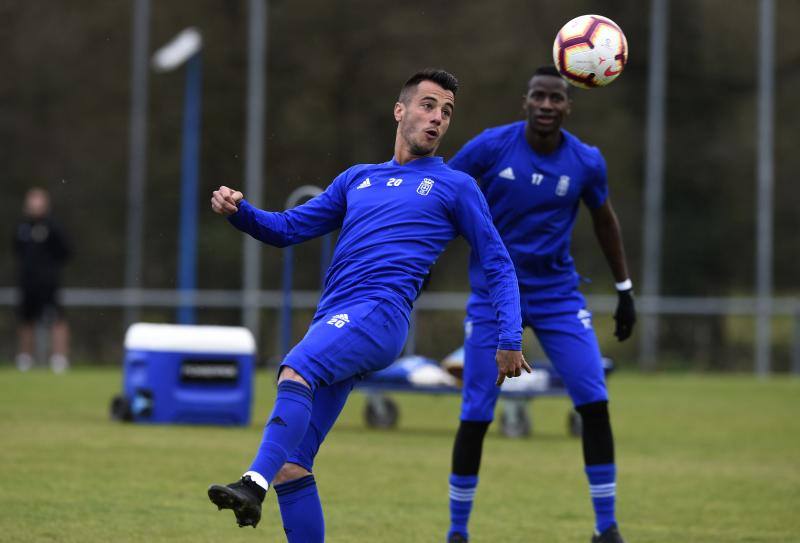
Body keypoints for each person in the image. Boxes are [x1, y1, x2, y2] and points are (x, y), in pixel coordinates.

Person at [206, 68, 530, 542]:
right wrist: (241, 212)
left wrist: (510, 337)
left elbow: (499, 264)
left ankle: (251, 483)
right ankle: (269, 479)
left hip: (379, 314)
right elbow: (287, 229)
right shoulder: (357, 179)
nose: (437, 117)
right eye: (428, 105)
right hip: (338, 316)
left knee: (295, 368)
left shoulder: (456, 186)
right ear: (400, 111)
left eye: (446, 111)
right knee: (293, 466)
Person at [443, 65, 636, 543]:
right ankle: (457, 532)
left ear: (569, 105)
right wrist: (419, 261)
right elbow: (442, 193)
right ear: (526, 102)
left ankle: (606, 528)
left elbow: (605, 221)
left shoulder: (587, 161)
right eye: (539, 97)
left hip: (557, 296)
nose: (547, 105)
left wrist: (625, 289)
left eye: (556, 98)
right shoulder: (491, 146)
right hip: (493, 295)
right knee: (476, 412)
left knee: (594, 401)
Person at [13, 187, 72, 373]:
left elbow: (66, 252)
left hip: (48, 285)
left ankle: (59, 359)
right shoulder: (22, 228)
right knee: (26, 320)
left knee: (56, 320)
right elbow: (17, 251)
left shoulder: (53, 227)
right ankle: (25, 359)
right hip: (27, 284)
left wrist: (48, 271)